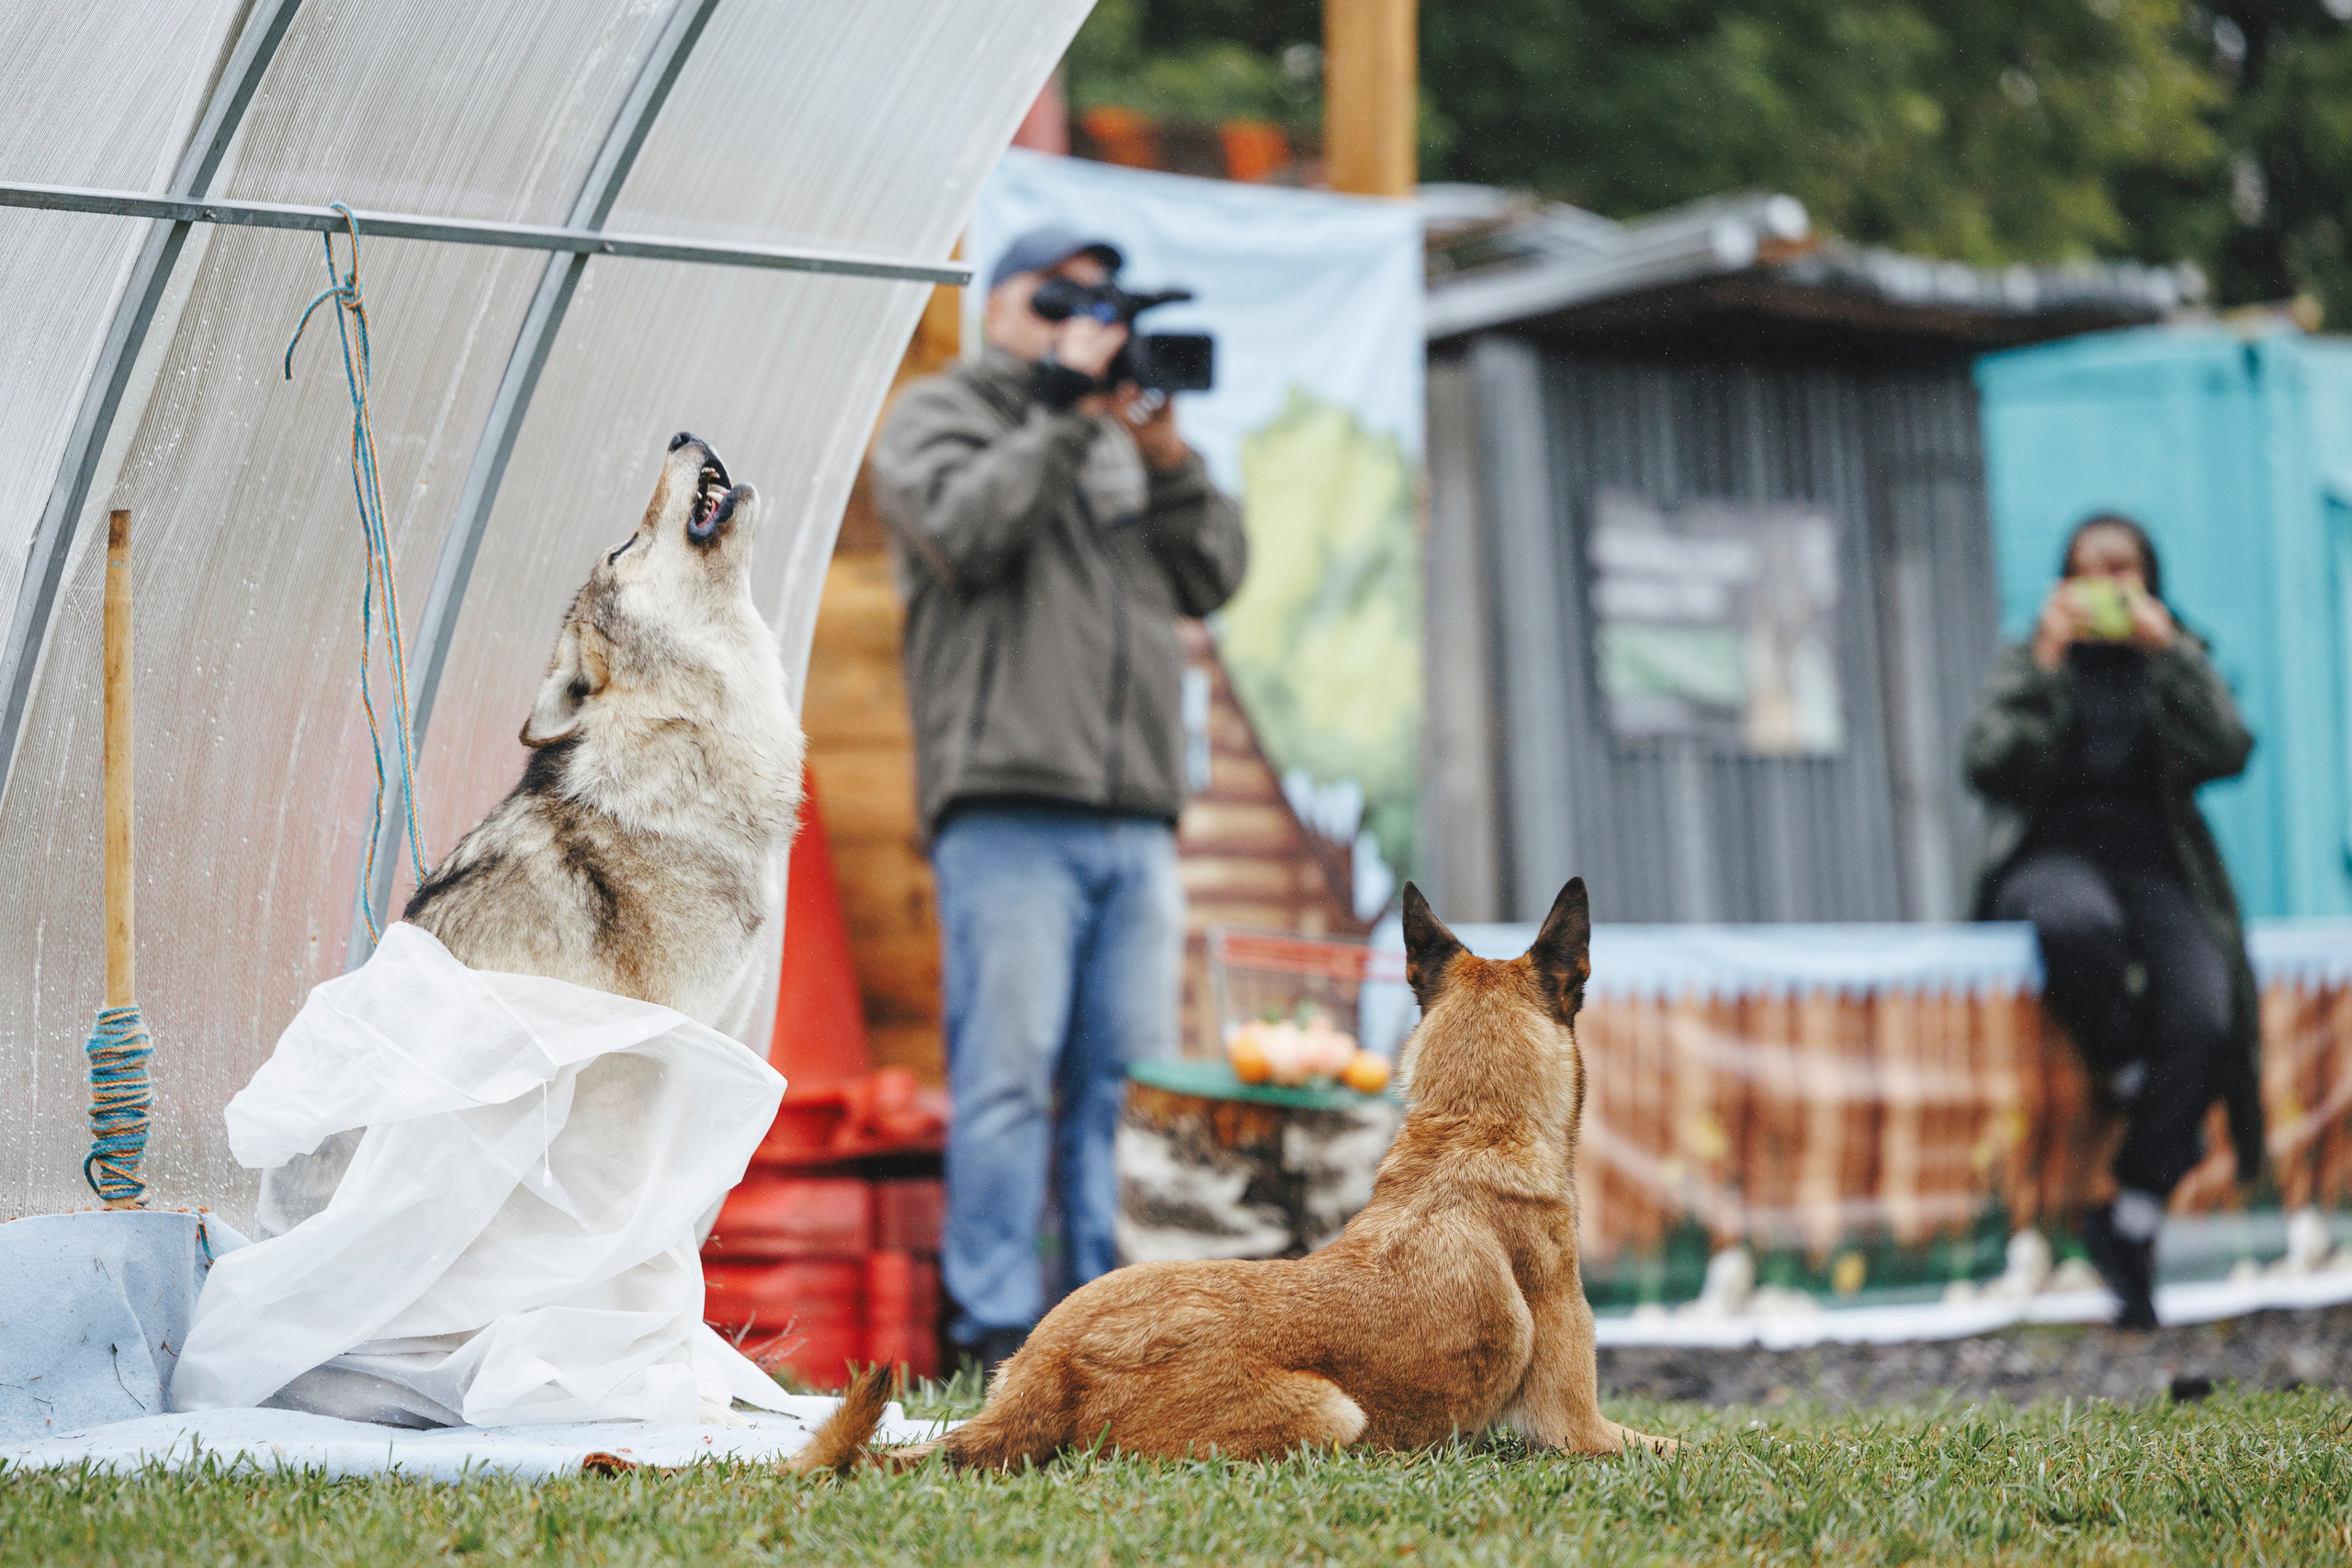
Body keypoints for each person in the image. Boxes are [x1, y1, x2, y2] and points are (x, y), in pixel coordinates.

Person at [868, 226, 1248, 1371]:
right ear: (1000, 308)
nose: (1080, 321)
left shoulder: (1123, 439)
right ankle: (993, 1329)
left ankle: (1109, 1328)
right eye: (1056, 298)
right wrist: (1058, 412)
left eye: (1099, 304)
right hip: (1006, 812)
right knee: (1004, 1084)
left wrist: (1169, 455)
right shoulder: (945, 417)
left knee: (1122, 1096)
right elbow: (963, 531)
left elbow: (1216, 572)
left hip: (1136, 818)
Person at [1962, 513, 2264, 1329]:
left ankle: (2130, 1216)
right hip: (2049, 854)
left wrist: (2175, 652)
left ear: (2150, 581)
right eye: (2087, 571)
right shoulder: (2030, 656)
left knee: (2206, 1012)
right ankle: (2136, 1073)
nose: (2106, 586)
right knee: (2075, 922)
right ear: (2062, 581)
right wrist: (2044, 660)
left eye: (2122, 570)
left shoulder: (2172, 656)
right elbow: (1987, 762)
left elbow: (2230, 748)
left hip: (2154, 864)